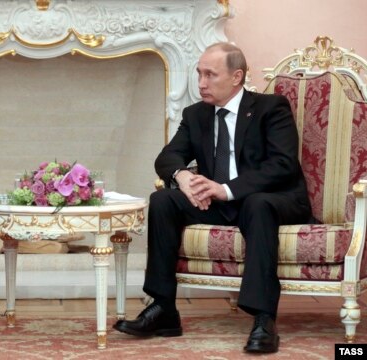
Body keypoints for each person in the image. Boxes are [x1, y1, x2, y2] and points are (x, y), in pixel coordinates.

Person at [113, 42, 312, 353]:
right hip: (218, 204)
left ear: (237, 77)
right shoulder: (197, 115)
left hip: (272, 200)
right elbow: (168, 156)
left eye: (210, 75)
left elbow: (282, 165)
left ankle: (264, 318)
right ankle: (164, 309)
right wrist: (184, 177)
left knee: (257, 204)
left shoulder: (271, 108)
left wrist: (226, 188)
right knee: (164, 200)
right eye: (199, 74)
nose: (201, 83)